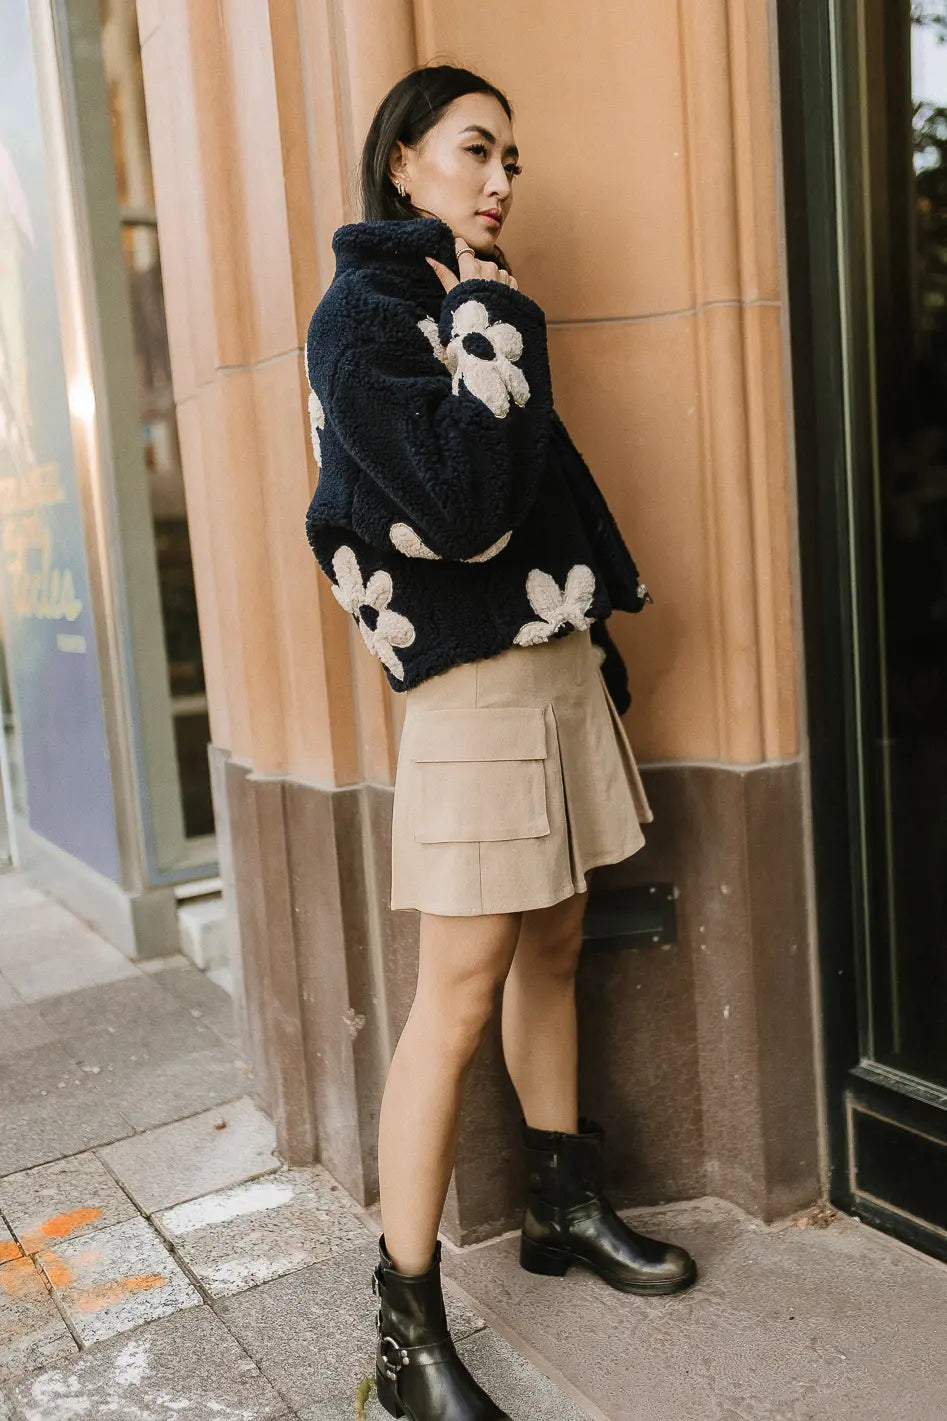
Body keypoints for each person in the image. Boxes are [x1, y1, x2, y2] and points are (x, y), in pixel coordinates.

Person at [304, 62, 696, 1421]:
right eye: (476, 150)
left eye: (511, 161)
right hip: (469, 690)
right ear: (404, 162)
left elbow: (546, 502)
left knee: (559, 937)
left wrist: (599, 628)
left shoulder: (463, 308)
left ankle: (560, 1201)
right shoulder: (367, 318)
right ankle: (405, 1333)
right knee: (455, 992)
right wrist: (482, 305)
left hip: (552, 664)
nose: (498, 179)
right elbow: (465, 507)